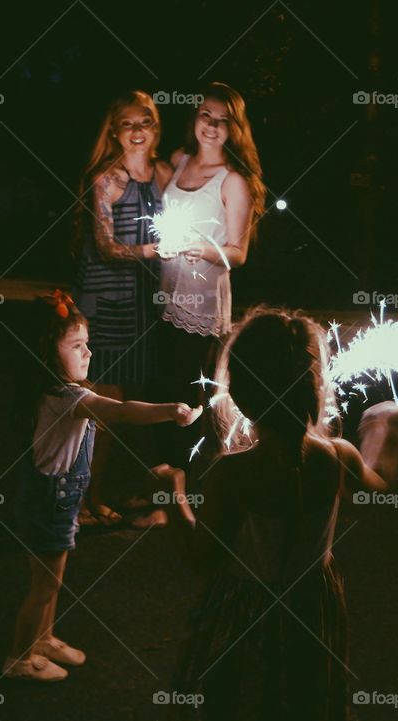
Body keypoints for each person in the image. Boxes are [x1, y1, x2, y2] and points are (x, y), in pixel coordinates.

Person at [157, 306, 398, 719]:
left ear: (237, 391)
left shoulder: (234, 473)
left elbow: (203, 558)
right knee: (304, 698)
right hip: (312, 603)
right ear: (314, 385)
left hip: (243, 613)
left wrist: (171, 495)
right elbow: (380, 482)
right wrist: (385, 428)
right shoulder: (337, 456)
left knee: (242, 702)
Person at [4, 292, 201, 682]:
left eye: (88, 344)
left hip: (53, 501)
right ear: (46, 351)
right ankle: (19, 659)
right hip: (50, 504)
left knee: (51, 580)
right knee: (45, 585)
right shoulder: (67, 398)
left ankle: (43, 638)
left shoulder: (51, 390)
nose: (88, 353)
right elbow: (122, 411)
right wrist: (171, 412)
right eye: (77, 346)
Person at [73, 90, 174, 526]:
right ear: (114, 131)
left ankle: (99, 493)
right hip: (106, 299)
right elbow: (106, 246)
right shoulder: (108, 178)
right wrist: (157, 251)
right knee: (102, 405)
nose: (138, 131)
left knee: (125, 405)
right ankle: (80, 499)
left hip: (143, 305)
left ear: (156, 128)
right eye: (129, 123)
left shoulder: (164, 174)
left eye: (146, 122)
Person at [157, 82, 266, 464]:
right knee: (163, 392)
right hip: (166, 294)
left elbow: (238, 253)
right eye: (206, 115)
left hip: (201, 307)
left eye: (224, 120)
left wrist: (199, 247)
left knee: (187, 398)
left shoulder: (233, 180)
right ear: (195, 118)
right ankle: (164, 487)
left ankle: (184, 491)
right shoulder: (180, 160)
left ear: (235, 128)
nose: (213, 126)